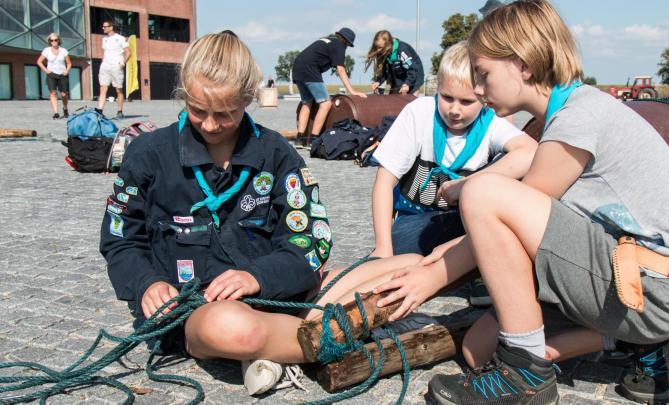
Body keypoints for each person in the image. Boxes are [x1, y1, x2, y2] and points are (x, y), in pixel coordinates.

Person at [372, 1, 669, 404]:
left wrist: (431, 276)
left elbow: (505, 212)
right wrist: (436, 259)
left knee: (483, 190)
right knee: (477, 350)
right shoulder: (568, 113)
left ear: (524, 65)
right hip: (633, 277)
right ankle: (630, 343)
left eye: (483, 75)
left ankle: (526, 375)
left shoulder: (580, 116)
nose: (478, 89)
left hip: (656, 289)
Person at [99, 30, 421, 396]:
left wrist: (256, 276)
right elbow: (120, 239)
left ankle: (275, 348)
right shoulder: (149, 153)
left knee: (407, 267)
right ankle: (323, 342)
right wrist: (148, 284)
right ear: (184, 95)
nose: (208, 124)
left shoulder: (275, 152)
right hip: (203, 315)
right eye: (198, 110)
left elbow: (311, 239)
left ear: (249, 99)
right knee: (232, 327)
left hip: (277, 297)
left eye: (225, 114)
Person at [370, 41, 537, 261]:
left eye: (467, 102)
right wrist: (383, 248)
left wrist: (467, 184)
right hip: (417, 222)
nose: (454, 110)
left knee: (514, 167)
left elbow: (530, 152)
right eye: (447, 98)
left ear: (484, 97)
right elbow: (384, 181)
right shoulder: (419, 112)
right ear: (438, 88)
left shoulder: (491, 121)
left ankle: (480, 267)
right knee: (402, 248)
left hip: (468, 224)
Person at [293, 27, 367, 145]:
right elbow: (340, 69)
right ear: (346, 41)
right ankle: (313, 139)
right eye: (348, 45)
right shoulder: (339, 45)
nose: (347, 47)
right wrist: (352, 91)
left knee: (307, 102)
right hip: (310, 69)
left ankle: (300, 138)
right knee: (325, 103)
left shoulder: (328, 40)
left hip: (297, 67)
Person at [366, 30, 425, 97]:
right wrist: (378, 82)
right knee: (396, 97)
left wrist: (407, 84)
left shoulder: (402, 50)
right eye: (376, 47)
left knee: (410, 99)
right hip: (399, 73)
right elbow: (385, 71)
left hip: (414, 74)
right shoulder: (385, 53)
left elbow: (412, 68)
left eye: (380, 48)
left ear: (388, 45)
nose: (378, 50)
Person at [96, 20, 130, 119]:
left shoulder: (120, 38)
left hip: (116, 66)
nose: (103, 28)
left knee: (118, 89)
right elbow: (106, 52)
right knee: (103, 87)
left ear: (111, 27)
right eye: (103, 27)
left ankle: (119, 112)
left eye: (105, 26)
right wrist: (103, 62)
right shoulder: (104, 39)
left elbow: (128, 52)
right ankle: (100, 110)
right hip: (105, 66)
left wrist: (123, 63)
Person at [37, 33, 71, 119]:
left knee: (64, 94)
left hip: (62, 74)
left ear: (58, 40)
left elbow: (69, 63)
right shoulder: (46, 50)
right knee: (53, 93)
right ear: (49, 42)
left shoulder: (64, 51)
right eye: (51, 40)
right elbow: (39, 62)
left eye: (55, 40)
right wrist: (46, 70)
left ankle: (65, 108)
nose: (54, 42)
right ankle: (56, 112)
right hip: (51, 75)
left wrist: (67, 71)